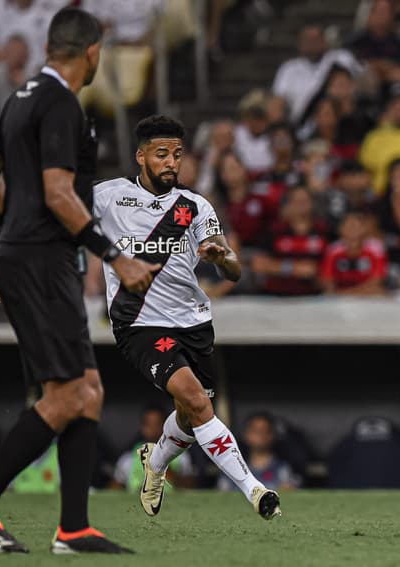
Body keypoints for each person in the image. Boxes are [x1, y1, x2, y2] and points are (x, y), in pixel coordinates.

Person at [0, 7, 159, 555]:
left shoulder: (21, 99)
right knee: (67, 396)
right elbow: (59, 193)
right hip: (43, 263)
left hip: (33, 257)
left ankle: (74, 528)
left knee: (87, 393)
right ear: (91, 52)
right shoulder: (62, 104)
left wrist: (9, 239)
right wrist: (117, 259)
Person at [92, 115, 282, 521]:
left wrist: (220, 257)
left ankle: (155, 464)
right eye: (162, 154)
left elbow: (234, 269)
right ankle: (256, 491)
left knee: (190, 413)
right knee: (197, 401)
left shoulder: (194, 206)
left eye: (177, 155)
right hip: (139, 323)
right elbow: (57, 214)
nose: (171, 163)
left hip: (194, 323)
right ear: (140, 156)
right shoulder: (108, 197)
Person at [109, 405, 197, 492]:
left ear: (166, 426)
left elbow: (192, 488)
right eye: (149, 425)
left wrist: (171, 475)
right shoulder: (128, 459)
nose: (153, 429)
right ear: (143, 427)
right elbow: (113, 492)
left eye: (157, 424)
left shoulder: (181, 456)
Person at [217, 412, 300, 492]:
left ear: (273, 435)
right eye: (255, 431)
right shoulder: (232, 468)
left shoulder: (283, 468)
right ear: (246, 434)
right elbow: (221, 493)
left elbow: (292, 491)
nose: (260, 435)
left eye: (265, 431)